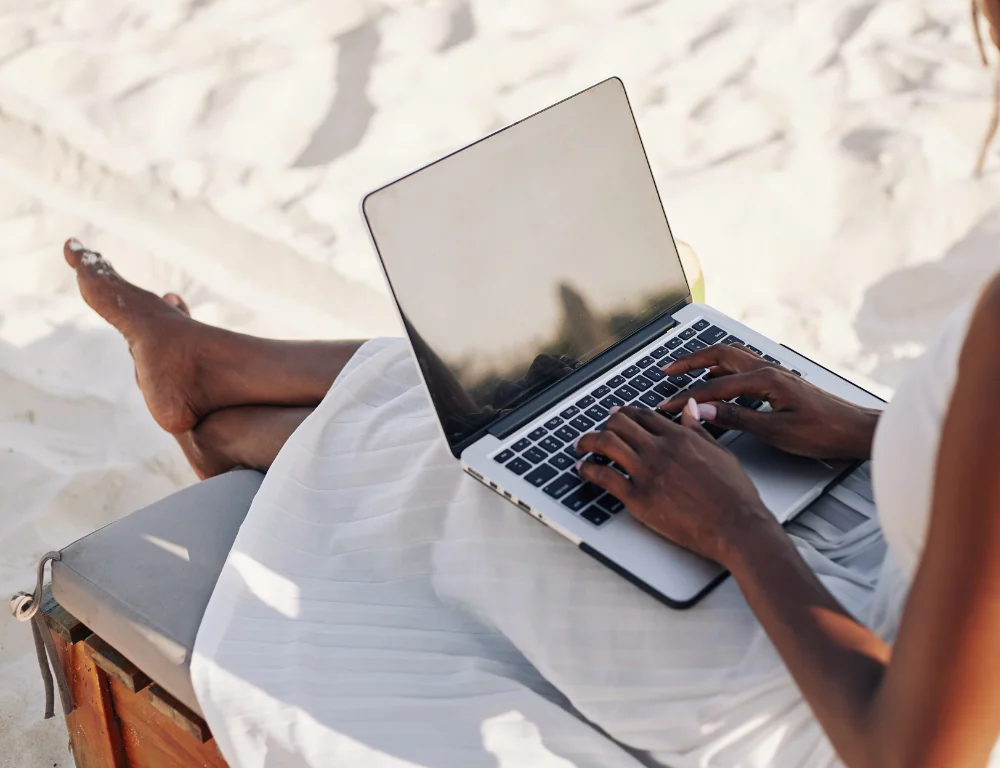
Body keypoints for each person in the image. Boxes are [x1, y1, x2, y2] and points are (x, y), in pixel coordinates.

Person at [61, 234, 1000, 767]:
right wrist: (862, 428)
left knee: (499, 475)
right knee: (556, 405)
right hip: (899, 575)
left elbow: (917, 755)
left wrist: (739, 526)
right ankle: (218, 391)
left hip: (822, 705)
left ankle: (216, 410)